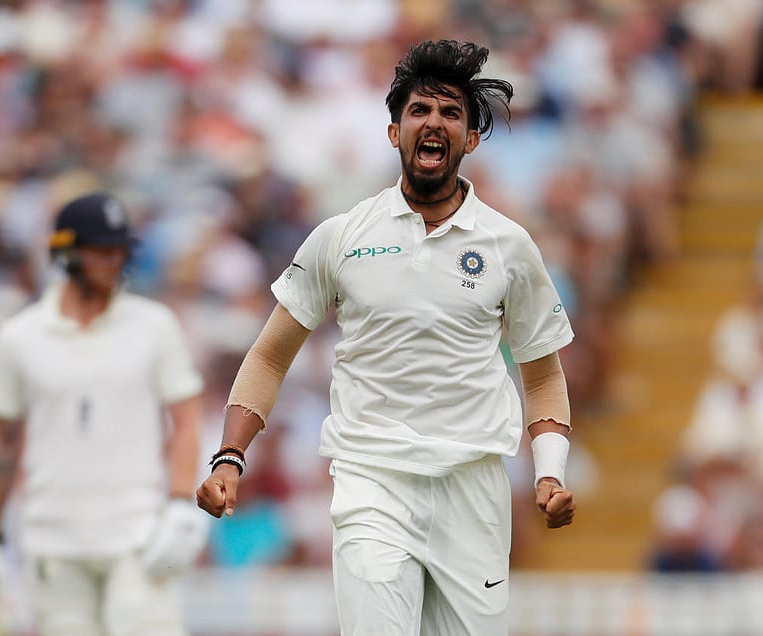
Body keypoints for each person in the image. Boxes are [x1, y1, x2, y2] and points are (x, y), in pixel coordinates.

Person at [196, 39, 577, 635]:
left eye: (451, 113)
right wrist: (229, 456)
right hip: (372, 479)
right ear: (394, 130)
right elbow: (270, 356)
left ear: (471, 139)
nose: (434, 123)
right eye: (420, 110)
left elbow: (543, 372)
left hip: (472, 487)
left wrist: (550, 470)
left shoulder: (509, 246)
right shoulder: (340, 236)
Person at [0, 192, 208, 636]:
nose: (114, 261)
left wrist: (180, 503)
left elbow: (185, 419)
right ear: (66, 252)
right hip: (53, 541)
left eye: (120, 250)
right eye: (101, 250)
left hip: (139, 535)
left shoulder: (154, 325)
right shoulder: (20, 337)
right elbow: (3, 440)